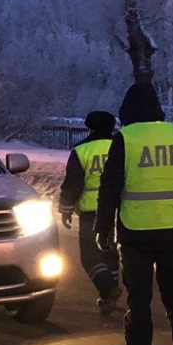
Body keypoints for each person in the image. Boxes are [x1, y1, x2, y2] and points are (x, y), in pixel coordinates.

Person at [97, 81, 173, 345]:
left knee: (139, 301)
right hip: (170, 230)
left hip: (135, 232)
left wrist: (102, 228)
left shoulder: (125, 139)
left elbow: (110, 188)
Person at [58, 110, 120, 317]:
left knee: (90, 258)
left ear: (89, 127)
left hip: (92, 212)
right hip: (120, 210)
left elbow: (73, 185)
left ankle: (108, 290)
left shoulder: (81, 150)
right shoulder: (122, 146)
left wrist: (66, 209)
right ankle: (110, 292)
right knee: (111, 253)